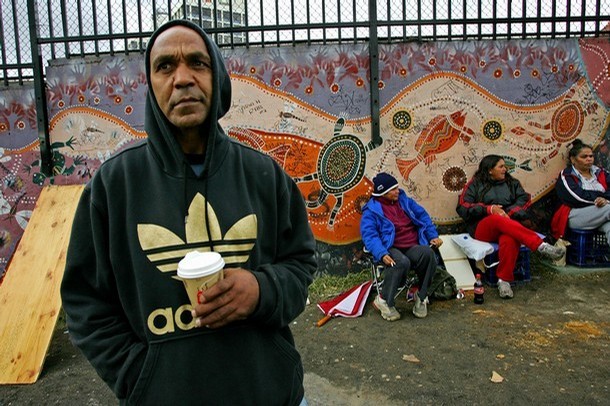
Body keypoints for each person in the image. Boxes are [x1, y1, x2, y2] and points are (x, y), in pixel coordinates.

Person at [60, 20, 316, 406]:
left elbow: (300, 265)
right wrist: (138, 376)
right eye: (165, 66)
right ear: (151, 84)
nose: (182, 78)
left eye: (197, 63)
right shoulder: (114, 186)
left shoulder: (262, 175)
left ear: (218, 77)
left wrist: (262, 289)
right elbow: (85, 302)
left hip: (271, 394)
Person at [456, 154, 565, 299]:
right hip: (482, 227)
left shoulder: (512, 183)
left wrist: (508, 213)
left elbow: (524, 200)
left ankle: (504, 281)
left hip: (509, 223)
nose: (505, 169)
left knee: (509, 238)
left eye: (505, 166)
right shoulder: (475, 184)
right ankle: (541, 246)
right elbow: (463, 206)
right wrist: (489, 209)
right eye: (501, 166)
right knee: (497, 219)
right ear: (489, 170)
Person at [360, 172, 443, 321]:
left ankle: (421, 296)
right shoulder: (371, 211)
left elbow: (423, 217)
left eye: (397, 187)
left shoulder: (405, 201)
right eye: (393, 189)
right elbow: (370, 236)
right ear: (383, 192)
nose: (397, 191)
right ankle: (384, 300)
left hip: (411, 244)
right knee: (400, 262)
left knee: (428, 254)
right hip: (390, 247)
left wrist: (432, 236)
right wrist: (381, 253)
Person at [552, 139, 610, 244]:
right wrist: (600, 199)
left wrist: (605, 200)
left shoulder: (600, 172)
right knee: (608, 208)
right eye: (584, 157)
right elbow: (577, 197)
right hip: (575, 215)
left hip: (600, 213)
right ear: (573, 159)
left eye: (591, 156)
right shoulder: (567, 175)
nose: (589, 159)